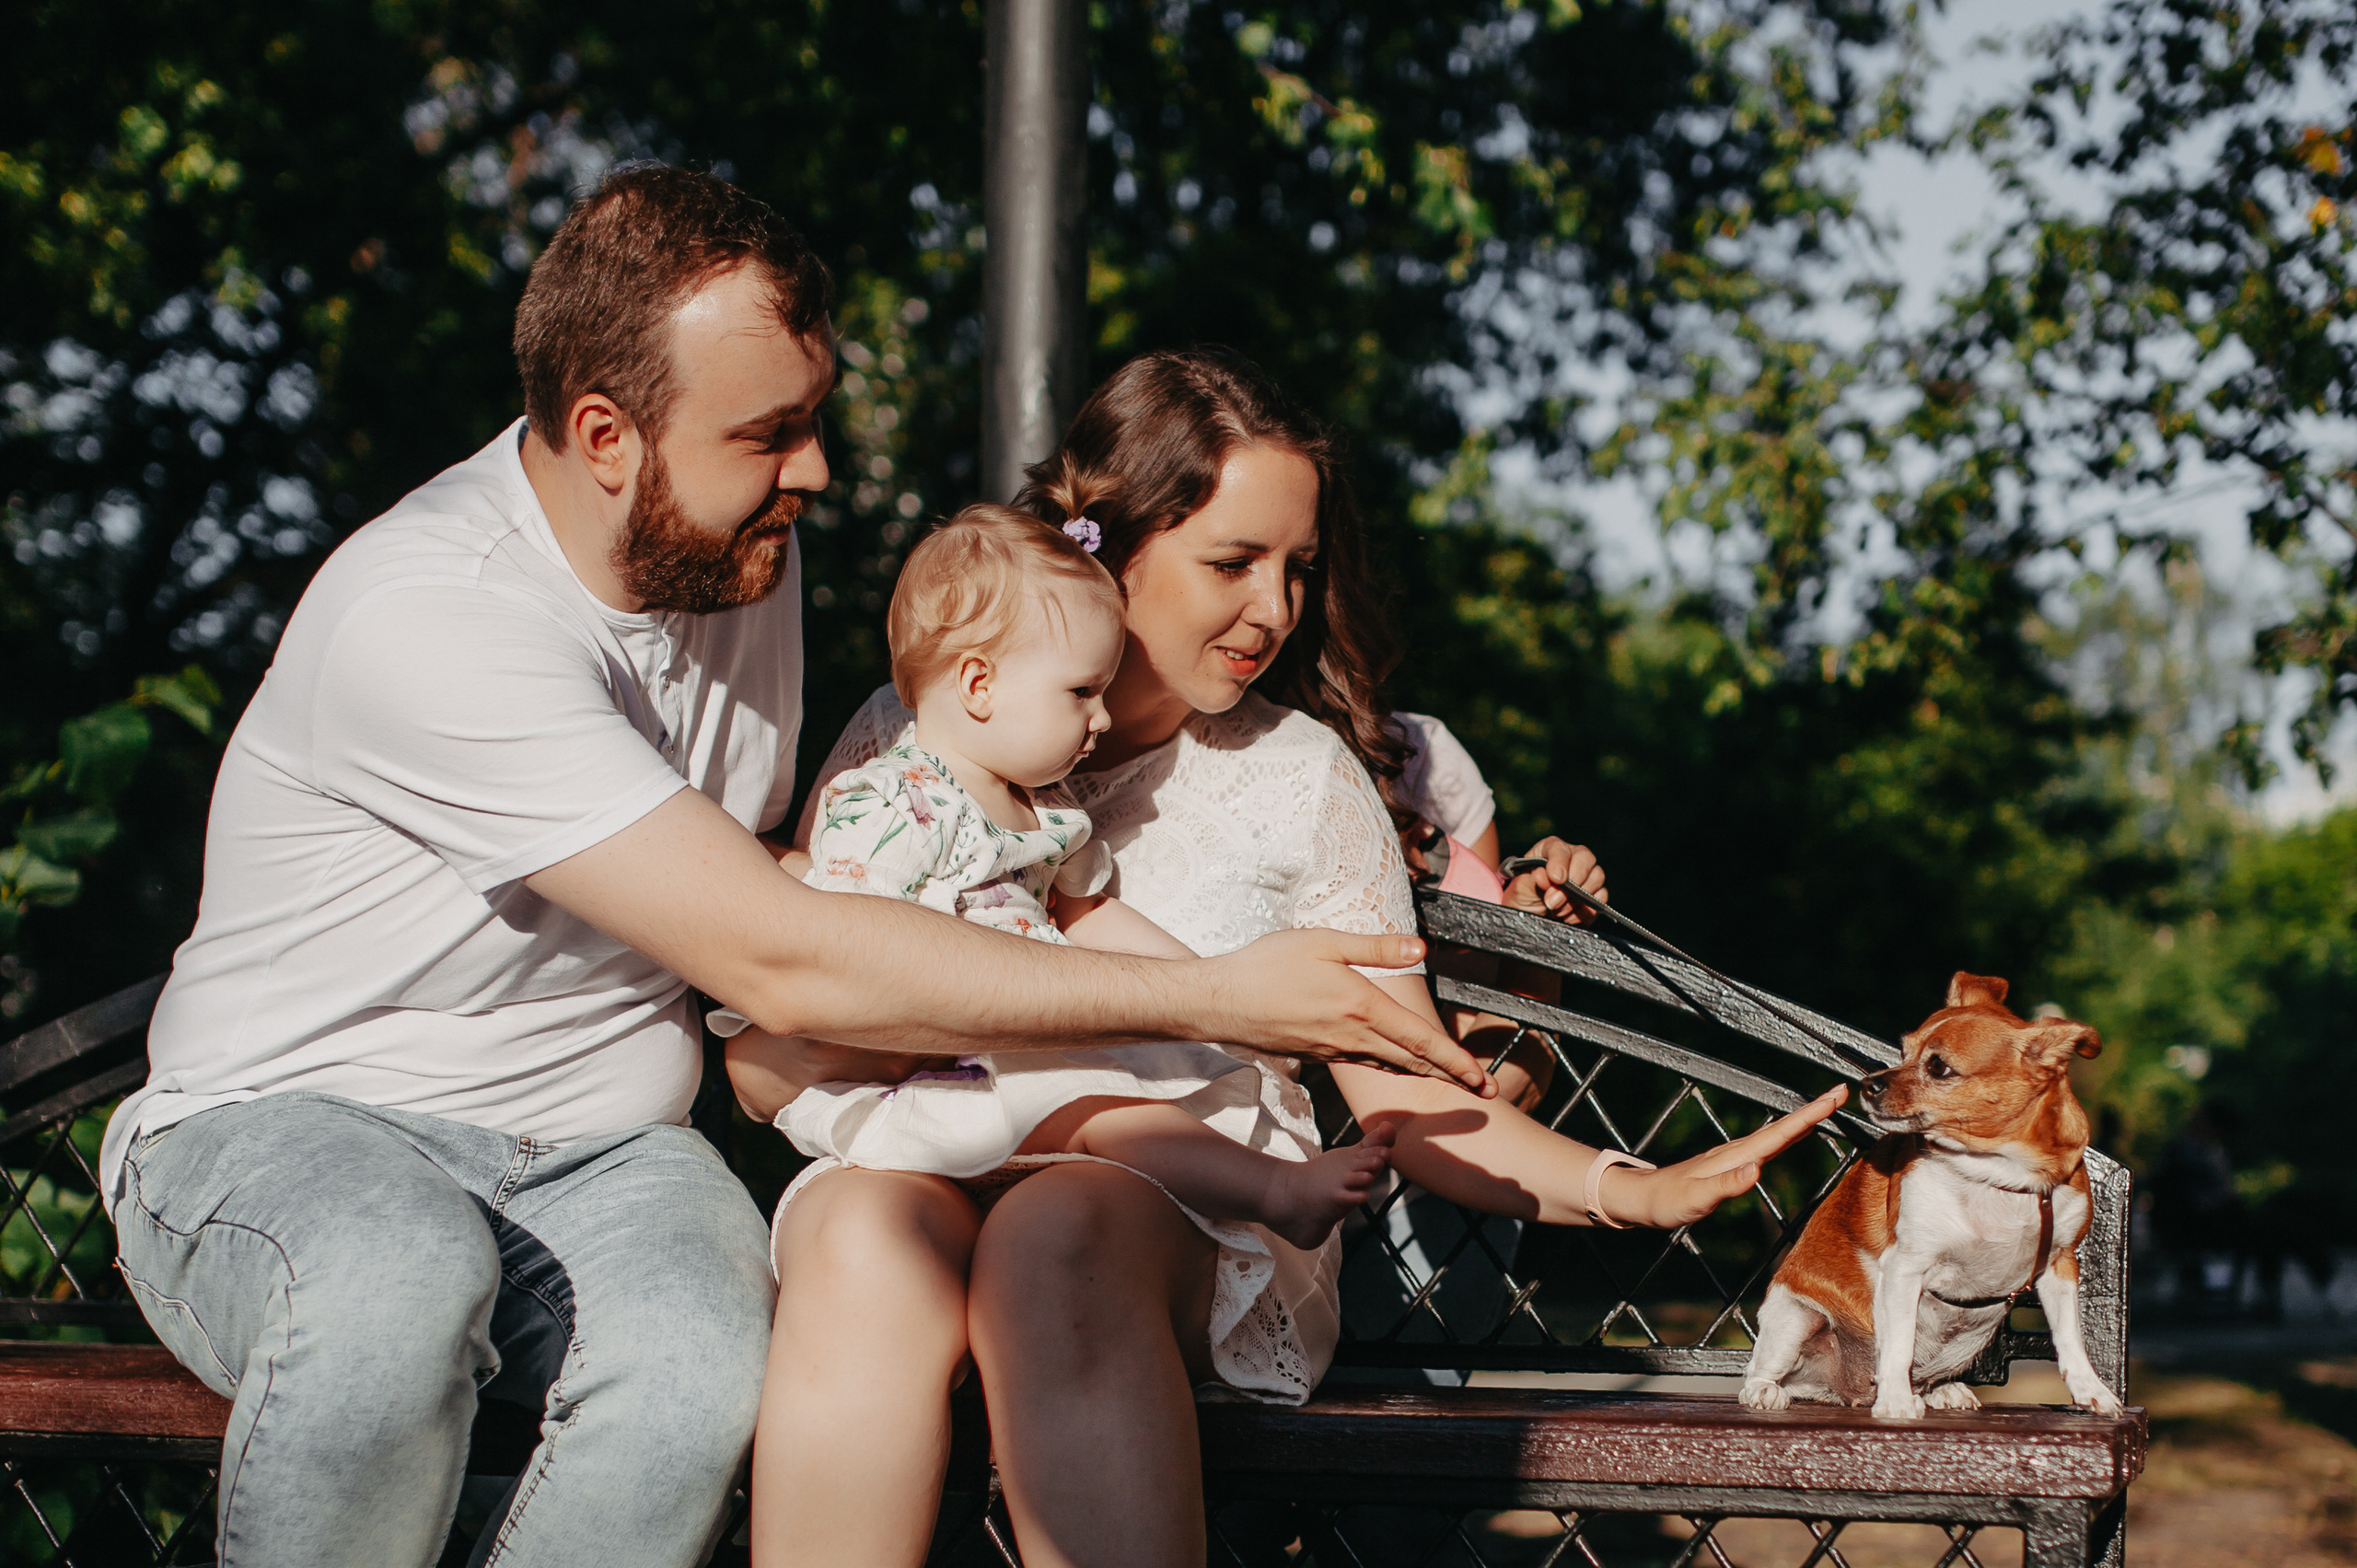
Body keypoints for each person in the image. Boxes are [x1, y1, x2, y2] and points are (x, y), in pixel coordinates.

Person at [99, 171, 1487, 1568]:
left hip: (604, 1156)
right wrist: (1222, 997)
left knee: (705, 1354)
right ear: (607, 437)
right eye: (771, 432)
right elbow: (784, 945)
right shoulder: (434, 614)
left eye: (811, 420)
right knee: (400, 1278)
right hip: (305, 1122)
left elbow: (785, 876)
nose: (815, 470)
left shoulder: (736, 559)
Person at [727, 346, 1846, 1568]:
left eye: (1298, 568)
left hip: (1200, 1202)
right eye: (1232, 561)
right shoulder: (916, 724)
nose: (1275, 607)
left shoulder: (1300, 778)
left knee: (1057, 1231)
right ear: (1106, 544)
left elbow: (1403, 1086)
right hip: (941, 1142)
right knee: (854, 1231)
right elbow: (797, 1003)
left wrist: (1622, 1184)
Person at [723, 505, 1394, 1248]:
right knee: (1108, 1112)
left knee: (1120, 1102)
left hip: (1017, 1049)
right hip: (933, 1072)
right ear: (978, 684)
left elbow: (1090, 911)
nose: (1102, 717)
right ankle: (1276, 1189)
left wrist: (1217, 984)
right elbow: (845, 936)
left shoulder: (1046, 811)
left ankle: (1264, 1185)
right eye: (1081, 692)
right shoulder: (894, 802)